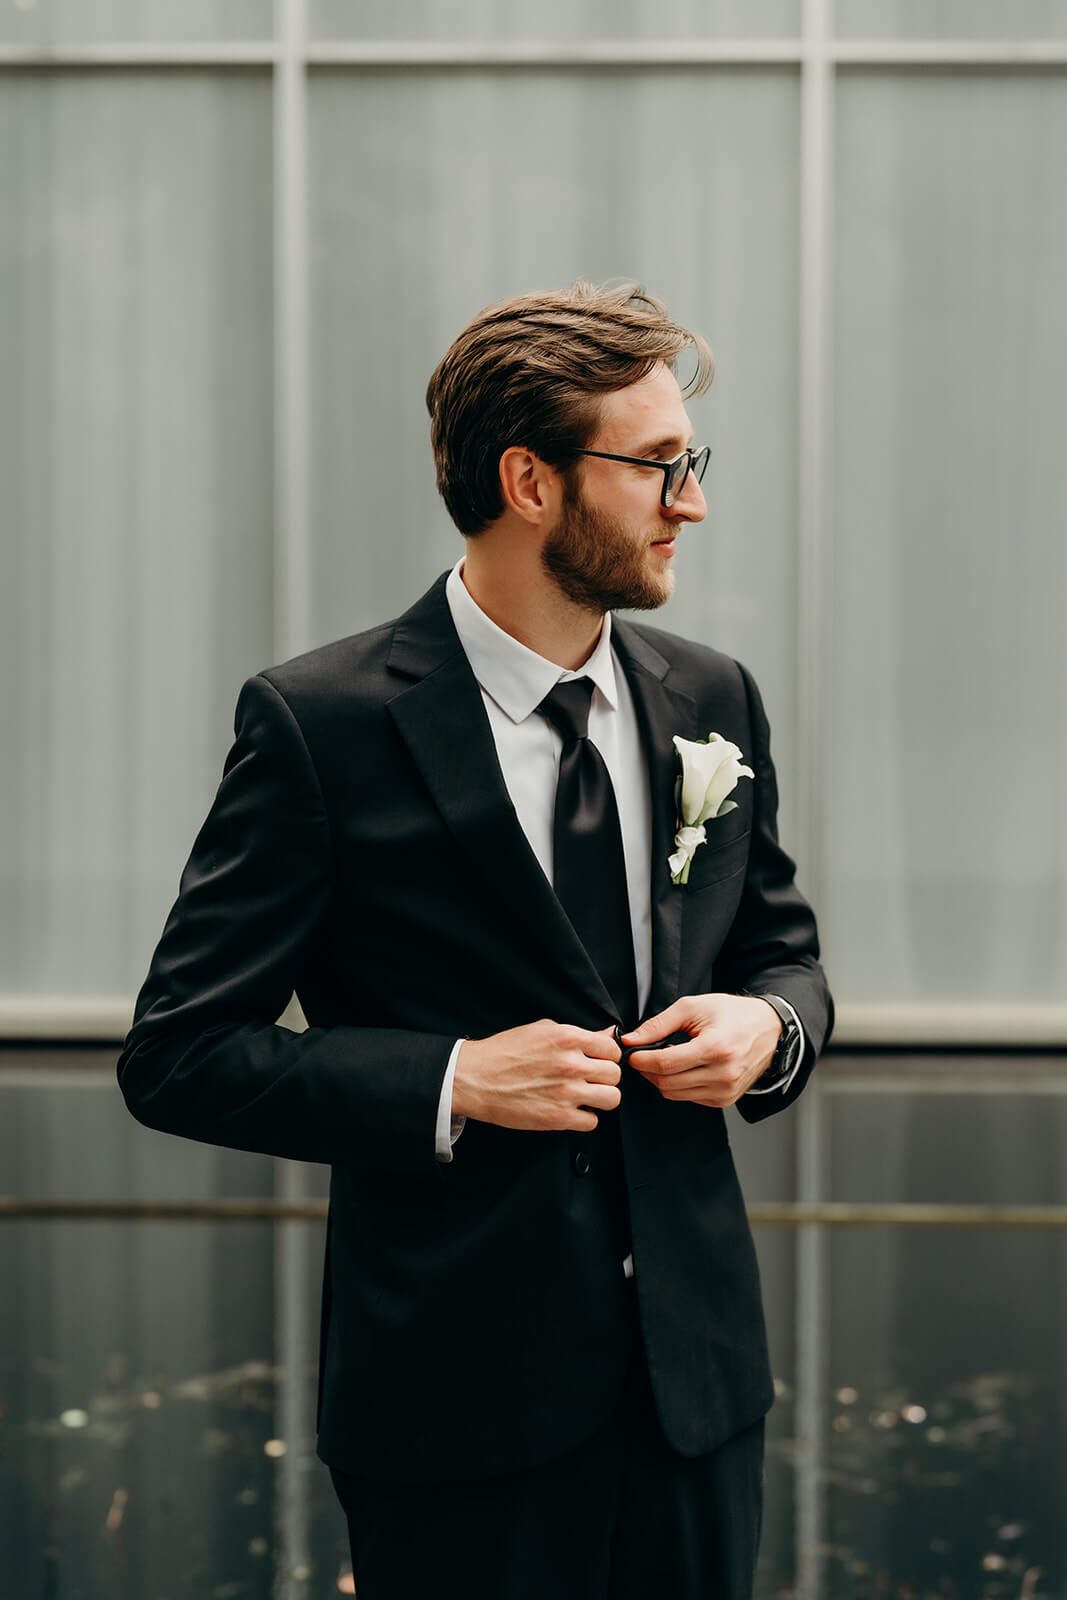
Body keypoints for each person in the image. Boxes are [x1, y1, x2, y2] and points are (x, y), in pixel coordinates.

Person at [118, 282, 832, 1600]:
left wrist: (768, 1028)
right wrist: (452, 1082)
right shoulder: (319, 725)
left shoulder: (711, 698)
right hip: (455, 1411)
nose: (694, 501)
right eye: (660, 466)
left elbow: (784, 952)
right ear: (531, 481)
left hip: (699, 1397)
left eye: (695, 462)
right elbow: (175, 1056)